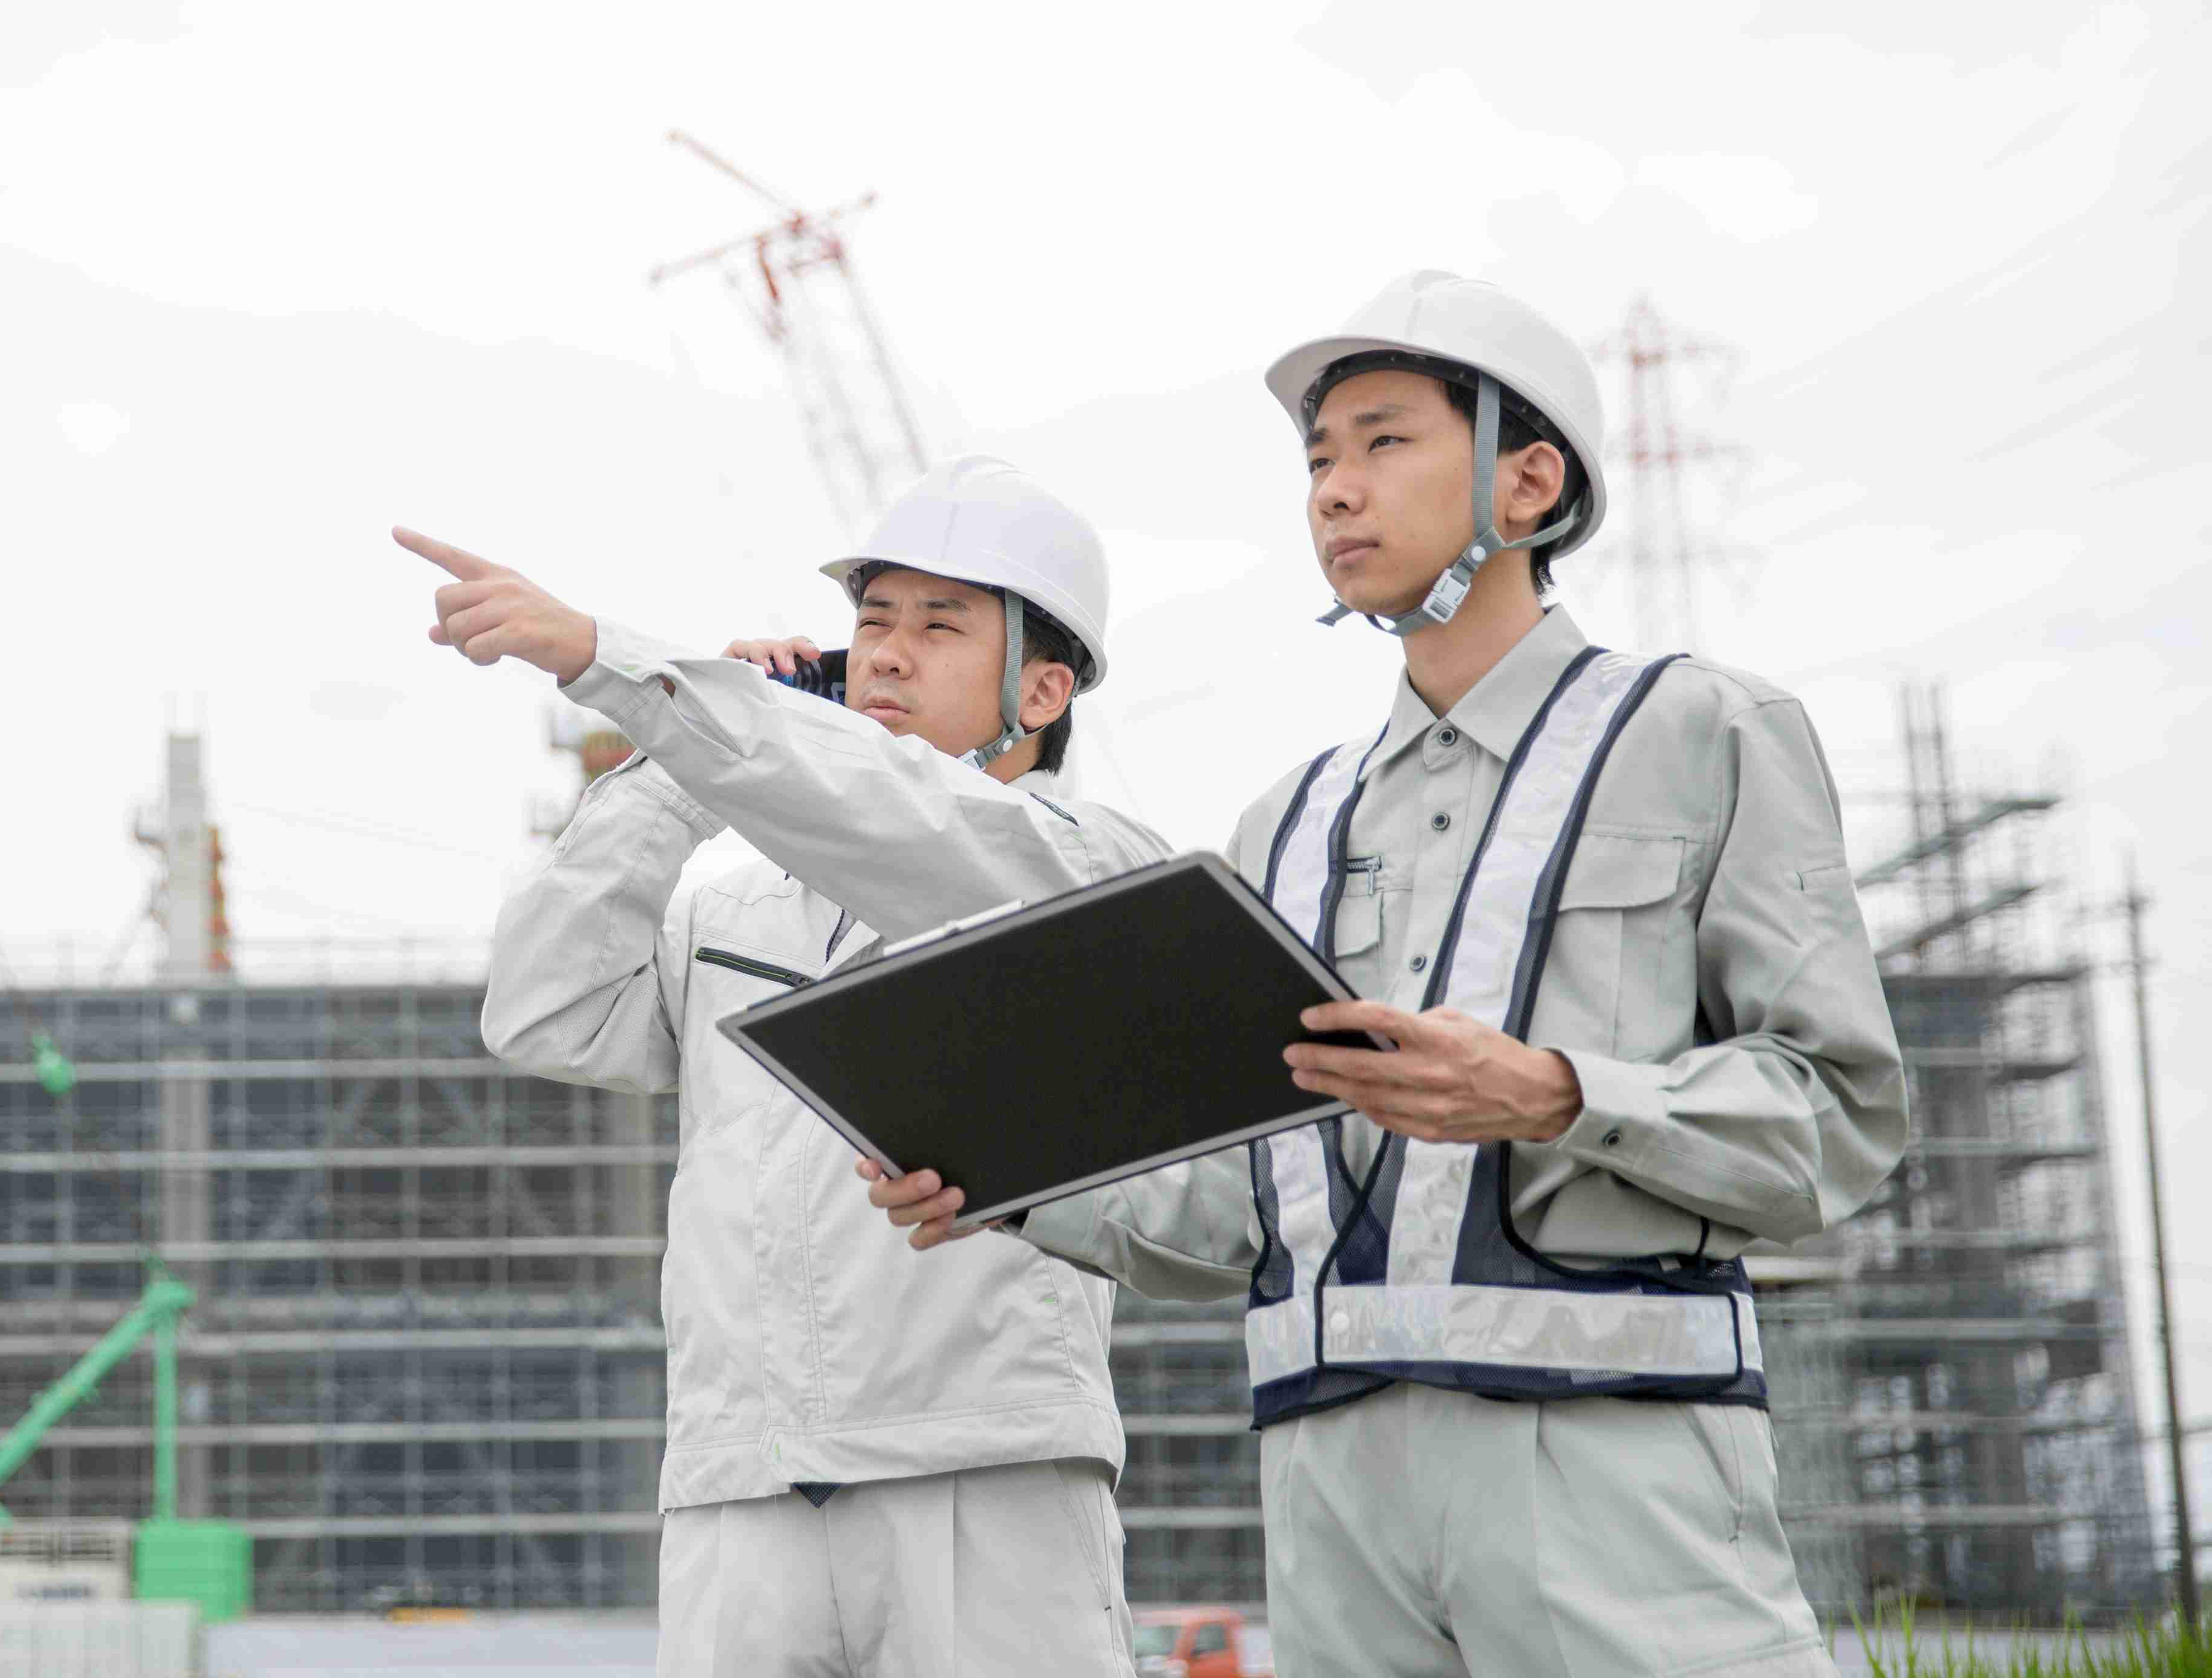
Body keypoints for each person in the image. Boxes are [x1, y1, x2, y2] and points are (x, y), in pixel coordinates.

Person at [860, 274, 1907, 1678]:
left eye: (1383, 442)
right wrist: (1015, 1177)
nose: (1336, 492)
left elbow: (1838, 1119)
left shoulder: (1705, 732)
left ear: (1528, 481)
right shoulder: (1279, 829)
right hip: (1328, 1491)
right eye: (1316, 460)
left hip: (1613, 1471)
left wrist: (1552, 1093)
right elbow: (1243, 1209)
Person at [403, 456, 1168, 1678]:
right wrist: (676, 769)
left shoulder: (1087, 867)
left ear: (1047, 685)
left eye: (938, 626)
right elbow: (542, 1010)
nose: (887, 656)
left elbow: (915, 829)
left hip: (983, 1469)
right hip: (740, 1483)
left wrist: (653, 681)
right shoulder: (732, 915)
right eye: (870, 623)